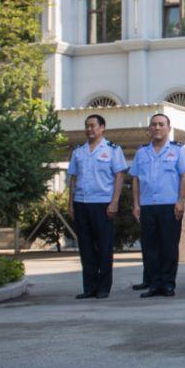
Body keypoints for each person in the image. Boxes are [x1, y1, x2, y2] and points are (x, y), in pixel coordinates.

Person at [130, 113, 185, 297]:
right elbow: (135, 179)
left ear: (168, 128)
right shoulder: (142, 152)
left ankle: (168, 284)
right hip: (148, 205)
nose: (157, 128)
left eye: (161, 124)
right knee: (150, 248)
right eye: (154, 124)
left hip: (169, 206)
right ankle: (154, 284)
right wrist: (136, 204)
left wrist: (181, 201)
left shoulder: (178, 151)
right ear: (149, 129)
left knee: (169, 246)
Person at [67, 114, 127, 299]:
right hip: (82, 203)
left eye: (93, 126)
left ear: (102, 128)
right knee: (85, 247)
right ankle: (89, 287)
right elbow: (73, 178)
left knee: (104, 246)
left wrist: (114, 202)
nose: (89, 129)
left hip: (102, 204)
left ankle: (103, 287)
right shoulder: (78, 151)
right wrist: (70, 203)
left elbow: (119, 176)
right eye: (87, 126)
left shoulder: (112, 150)